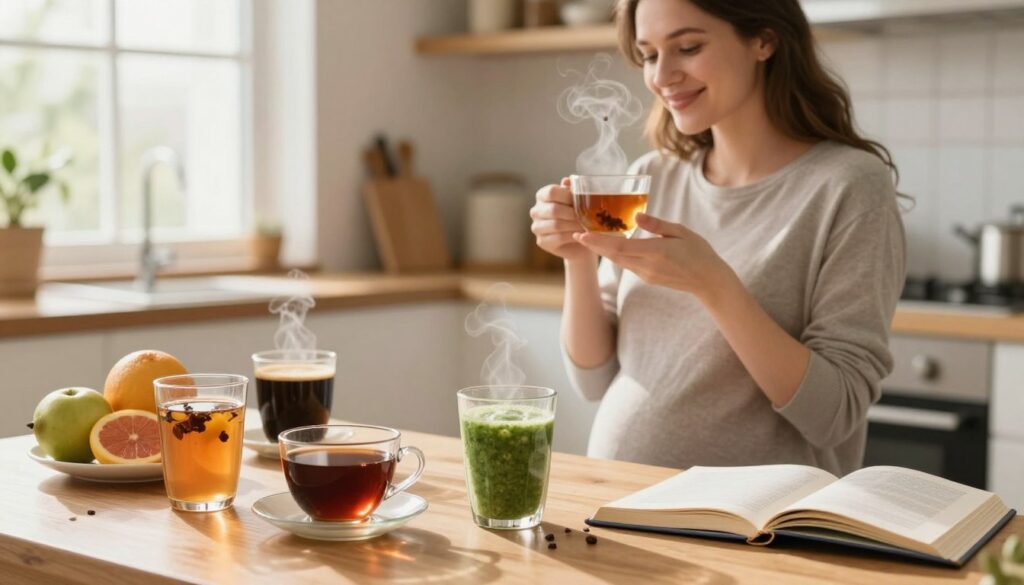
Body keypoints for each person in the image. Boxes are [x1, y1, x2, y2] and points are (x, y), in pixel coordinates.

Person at [529, 0, 906, 475]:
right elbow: (594, 378)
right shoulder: (653, 176)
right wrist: (576, 256)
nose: (662, 75)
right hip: (616, 500)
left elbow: (834, 416)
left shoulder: (848, 186)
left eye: (687, 47)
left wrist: (714, 284)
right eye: (648, 55)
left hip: (752, 529)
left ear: (764, 40)